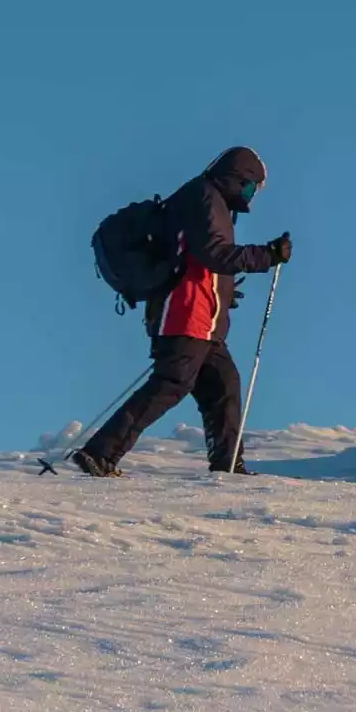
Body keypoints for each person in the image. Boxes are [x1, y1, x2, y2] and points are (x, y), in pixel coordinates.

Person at [73, 146, 291, 477]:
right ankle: (100, 454)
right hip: (185, 315)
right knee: (170, 385)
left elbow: (197, 257)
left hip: (203, 318)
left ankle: (228, 466)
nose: (251, 195)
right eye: (251, 186)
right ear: (236, 178)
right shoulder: (205, 198)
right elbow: (214, 254)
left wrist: (225, 291)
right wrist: (267, 255)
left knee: (224, 386)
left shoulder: (208, 200)